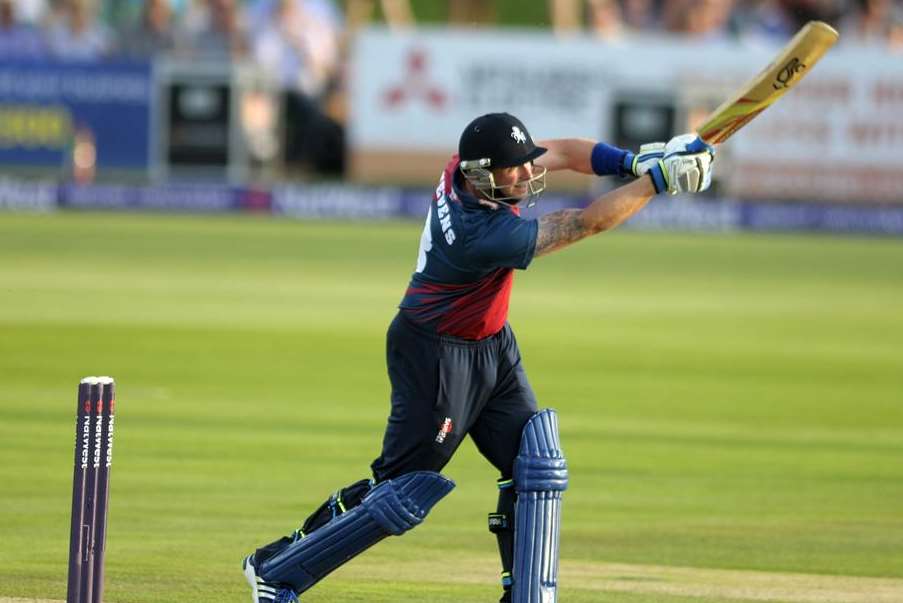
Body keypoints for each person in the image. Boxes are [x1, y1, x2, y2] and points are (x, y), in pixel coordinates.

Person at [241, 113, 715, 603]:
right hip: (436, 353)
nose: (528, 175)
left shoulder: (465, 165)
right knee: (400, 493)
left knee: (537, 461)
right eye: (516, 171)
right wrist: (657, 182)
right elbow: (586, 222)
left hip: (491, 342)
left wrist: (636, 159)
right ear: (482, 175)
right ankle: (277, 570)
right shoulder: (479, 233)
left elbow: (569, 153)